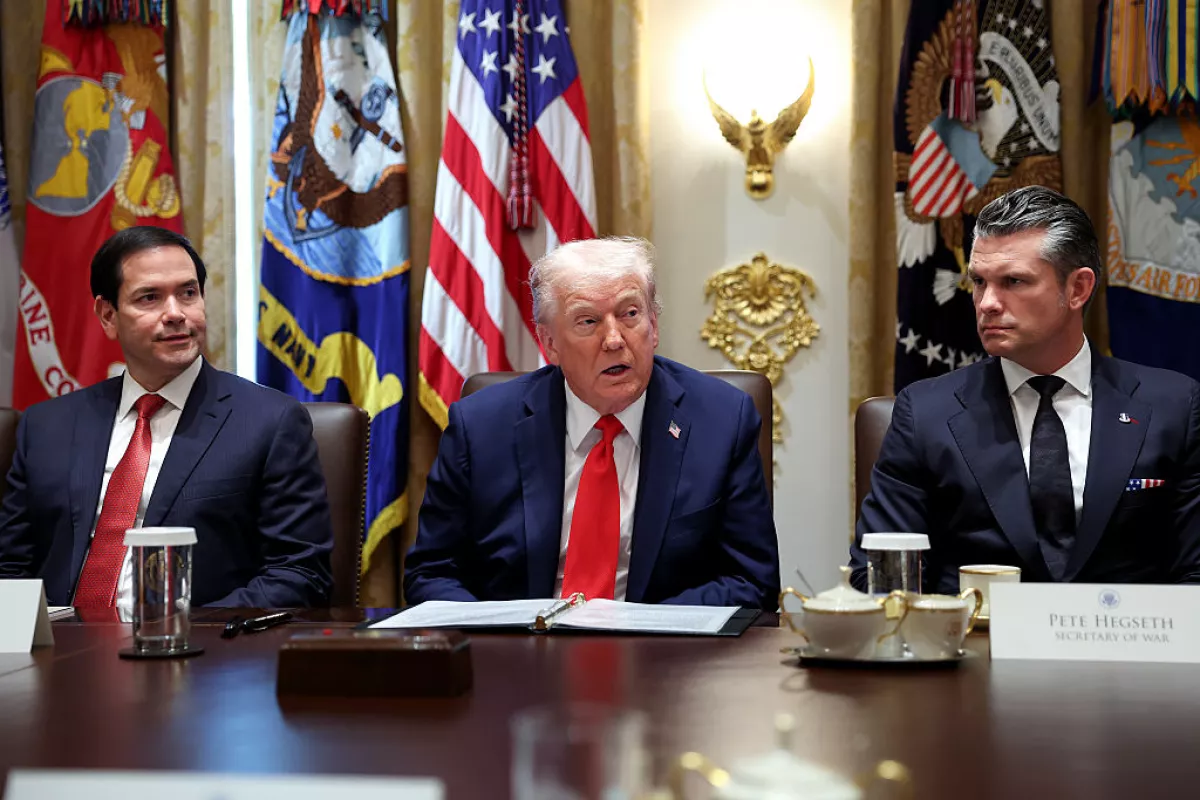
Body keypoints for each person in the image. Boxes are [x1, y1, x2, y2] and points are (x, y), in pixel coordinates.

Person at [851, 186, 1200, 592]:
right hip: (976, 645)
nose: (987, 303)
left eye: (1014, 281)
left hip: (1125, 646)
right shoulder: (926, 413)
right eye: (979, 282)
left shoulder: (1172, 406)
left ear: (1077, 289)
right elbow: (879, 577)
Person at [406, 237, 780, 608]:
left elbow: (752, 581)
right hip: (520, 656)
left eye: (630, 314)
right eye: (588, 321)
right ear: (550, 343)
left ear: (653, 323)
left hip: (663, 658)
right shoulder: (482, 425)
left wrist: (642, 631)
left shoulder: (722, 419)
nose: (615, 339)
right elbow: (431, 573)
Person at [0, 226, 333, 608]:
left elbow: (300, 574)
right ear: (108, 315)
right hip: (56, 655)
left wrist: (176, 633)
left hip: (195, 655)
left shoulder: (269, 423)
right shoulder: (46, 426)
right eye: (150, 298)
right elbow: (11, 568)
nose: (175, 313)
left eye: (188, 293)